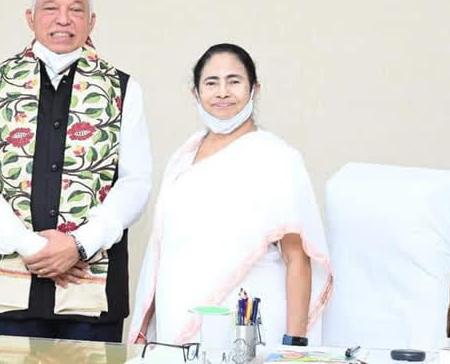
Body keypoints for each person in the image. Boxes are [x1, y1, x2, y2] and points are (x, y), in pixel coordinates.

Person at [0, 0, 152, 343]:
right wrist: (34, 248)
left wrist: (78, 245)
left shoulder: (122, 88)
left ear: (91, 20)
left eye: (76, 9)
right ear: (30, 17)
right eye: (50, 8)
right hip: (12, 289)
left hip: (92, 293)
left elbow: (135, 181)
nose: (63, 20)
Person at [129, 43, 333, 348]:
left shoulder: (276, 157)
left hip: (247, 328)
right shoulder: (182, 157)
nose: (222, 92)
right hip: (178, 324)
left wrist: (294, 343)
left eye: (234, 81)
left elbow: (297, 258)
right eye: (211, 83)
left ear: (254, 89)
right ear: (195, 93)